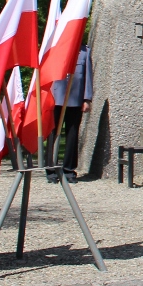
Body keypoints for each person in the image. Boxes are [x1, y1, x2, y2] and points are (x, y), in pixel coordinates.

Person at [46, 41, 93, 183]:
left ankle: (69, 170)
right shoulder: (56, 47)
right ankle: (51, 170)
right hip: (55, 98)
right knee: (52, 134)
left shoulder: (84, 52)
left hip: (75, 99)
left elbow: (87, 76)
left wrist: (87, 99)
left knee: (72, 134)